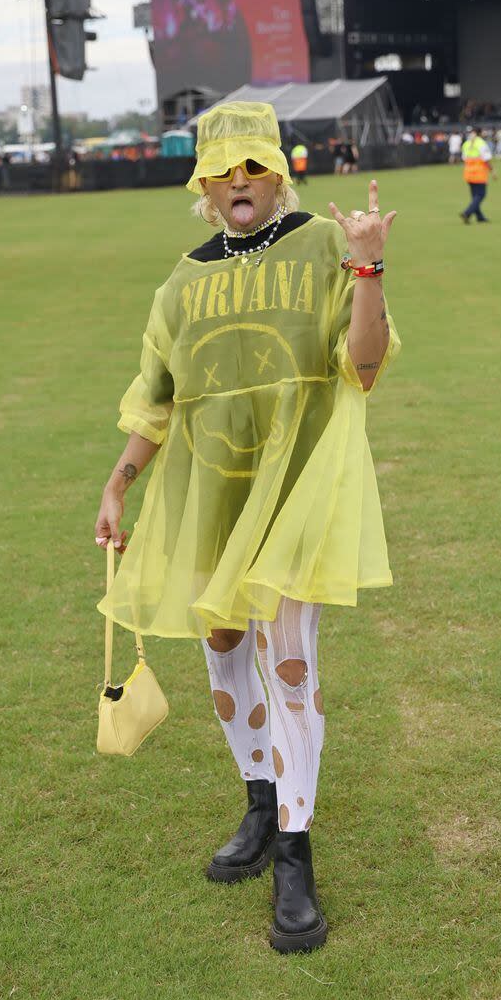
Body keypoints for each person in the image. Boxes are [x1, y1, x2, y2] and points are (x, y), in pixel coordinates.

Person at [94, 102, 401, 954]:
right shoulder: (180, 284)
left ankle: (296, 859)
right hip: (207, 495)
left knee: (289, 661)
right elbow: (154, 401)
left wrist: (368, 268)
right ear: (202, 183)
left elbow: (364, 367)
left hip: (294, 492)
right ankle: (261, 806)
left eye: (255, 166)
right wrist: (120, 484)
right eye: (225, 168)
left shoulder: (319, 248)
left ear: (278, 173)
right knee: (225, 651)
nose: (241, 180)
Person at [460, 126, 496, 224]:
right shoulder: (481, 143)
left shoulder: (466, 144)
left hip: (468, 173)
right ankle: (467, 213)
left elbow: (464, 158)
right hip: (479, 173)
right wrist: (492, 171)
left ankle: (480, 217)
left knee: (474, 196)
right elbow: (486, 159)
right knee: (481, 194)